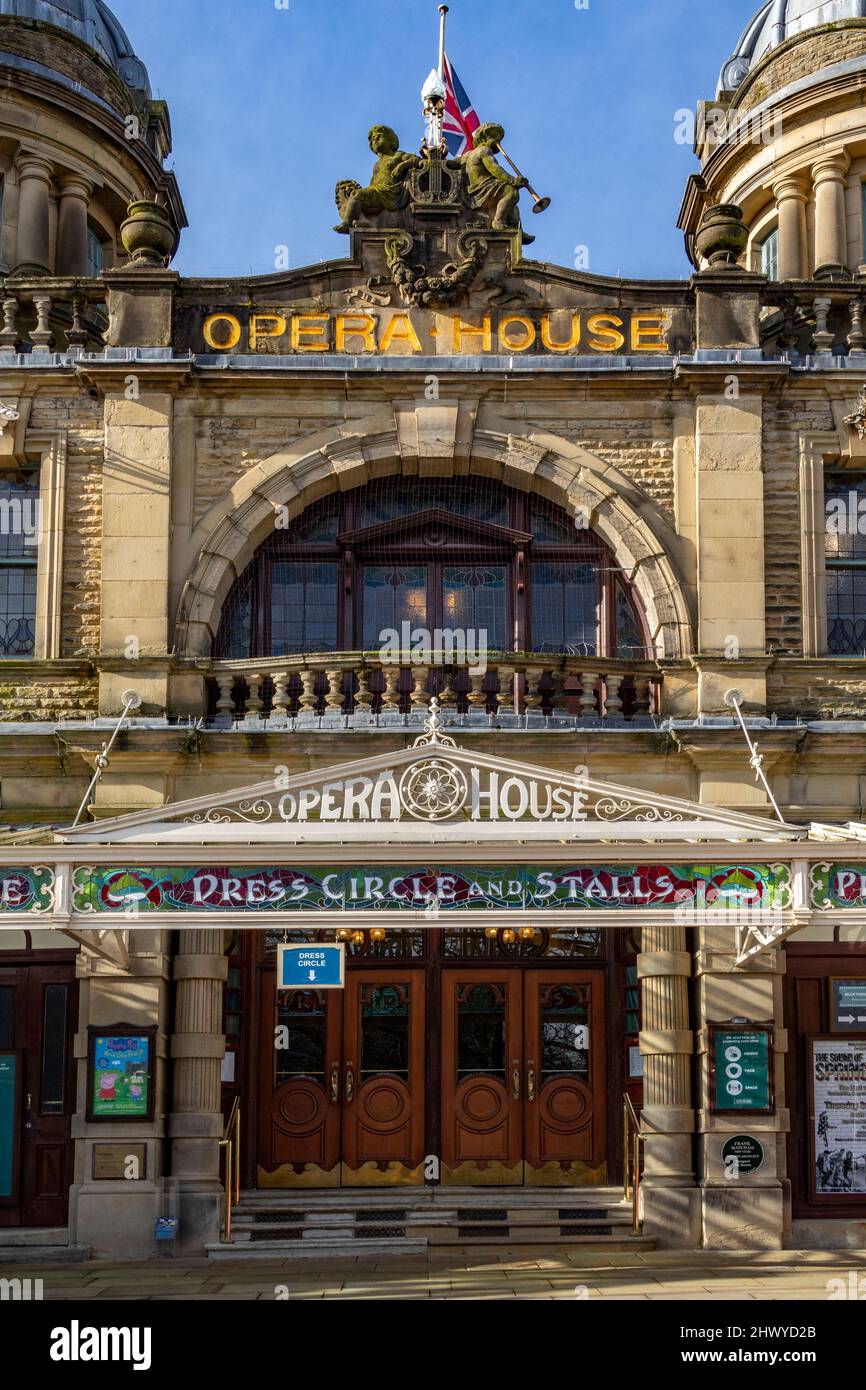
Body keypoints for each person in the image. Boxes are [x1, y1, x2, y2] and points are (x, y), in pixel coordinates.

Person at [335, 127, 422, 233]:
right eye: (372, 140)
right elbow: (373, 183)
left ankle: (347, 223)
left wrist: (403, 165)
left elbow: (418, 161)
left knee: (356, 194)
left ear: (391, 141)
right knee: (353, 199)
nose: (375, 141)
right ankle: (363, 221)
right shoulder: (377, 165)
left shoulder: (398, 155)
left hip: (389, 191)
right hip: (378, 191)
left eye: (379, 137)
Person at [459, 123, 533, 243]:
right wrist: (513, 180)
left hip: (476, 191)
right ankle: (498, 221)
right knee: (511, 191)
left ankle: (517, 229)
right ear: (484, 138)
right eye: (495, 137)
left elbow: (453, 163)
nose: (498, 141)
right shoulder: (484, 150)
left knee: (513, 207)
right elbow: (495, 169)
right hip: (481, 189)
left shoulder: (466, 155)